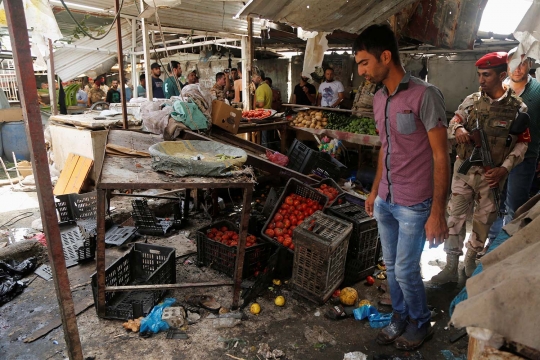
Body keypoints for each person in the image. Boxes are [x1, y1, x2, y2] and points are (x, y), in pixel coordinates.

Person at [353, 24, 450, 350]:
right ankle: (399, 317)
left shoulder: (425, 95)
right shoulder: (379, 99)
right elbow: (386, 147)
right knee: (391, 268)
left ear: (385, 56)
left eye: (365, 62)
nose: (362, 71)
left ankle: (421, 323)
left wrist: (438, 211)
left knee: (407, 270)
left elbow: (441, 155)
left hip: (414, 203)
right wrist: (374, 190)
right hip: (386, 199)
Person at [432, 52, 530, 284]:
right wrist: (458, 130)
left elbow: (524, 144)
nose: (481, 80)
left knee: (484, 221)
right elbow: (452, 122)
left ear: (502, 75)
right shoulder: (471, 102)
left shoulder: (518, 108)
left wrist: (504, 169)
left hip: (492, 176)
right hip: (464, 172)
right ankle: (451, 265)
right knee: (455, 217)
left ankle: (470, 262)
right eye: (479, 75)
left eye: (486, 75)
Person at [487, 48, 540, 243]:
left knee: (515, 205)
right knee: (493, 202)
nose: (518, 68)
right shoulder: (497, 89)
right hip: (497, 157)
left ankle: (503, 247)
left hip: (525, 158)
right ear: (506, 66)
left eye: (523, 63)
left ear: (530, 65)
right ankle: (490, 242)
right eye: (513, 63)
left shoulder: (538, 91)